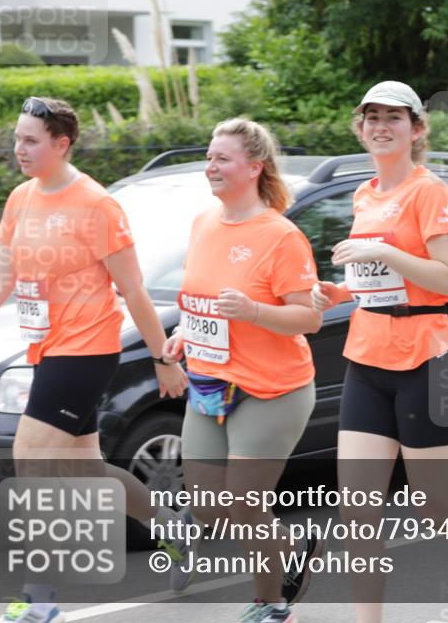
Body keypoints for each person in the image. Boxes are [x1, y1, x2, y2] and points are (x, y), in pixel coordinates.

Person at [0, 97, 191, 623]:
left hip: (86, 350)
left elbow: (133, 291)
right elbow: (0, 280)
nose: (19, 148)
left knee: (30, 461)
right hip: (45, 349)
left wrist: (161, 359)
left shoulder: (96, 205)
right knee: (88, 469)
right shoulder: (21, 199)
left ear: (62, 144)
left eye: (31, 140)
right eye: (17, 138)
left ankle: (41, 603)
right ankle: (172, 527)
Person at [311, 81, 448, 623]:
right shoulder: (365, 194)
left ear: (416, 129)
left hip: (428, 361)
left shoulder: (431, 192)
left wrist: (383, 249)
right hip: (367, 358)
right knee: (357, 513)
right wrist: (340, 292)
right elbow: (380, 282)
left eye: (394, 117)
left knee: (434, 507)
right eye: (372, 117)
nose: (381, 126)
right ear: (360, 126)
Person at [160, 118, 325, 623]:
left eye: (222, 159)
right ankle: (289, 543)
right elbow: (202, 298)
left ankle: (271, 604)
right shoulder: (204, 223)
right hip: (210, 384)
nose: (210, 166)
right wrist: (187, 332)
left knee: (246, 503)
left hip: (273, 389)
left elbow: (310, 317)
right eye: (209, 157)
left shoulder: (280, 235)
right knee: (210, 508)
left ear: (254, 167)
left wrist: (254, 312)